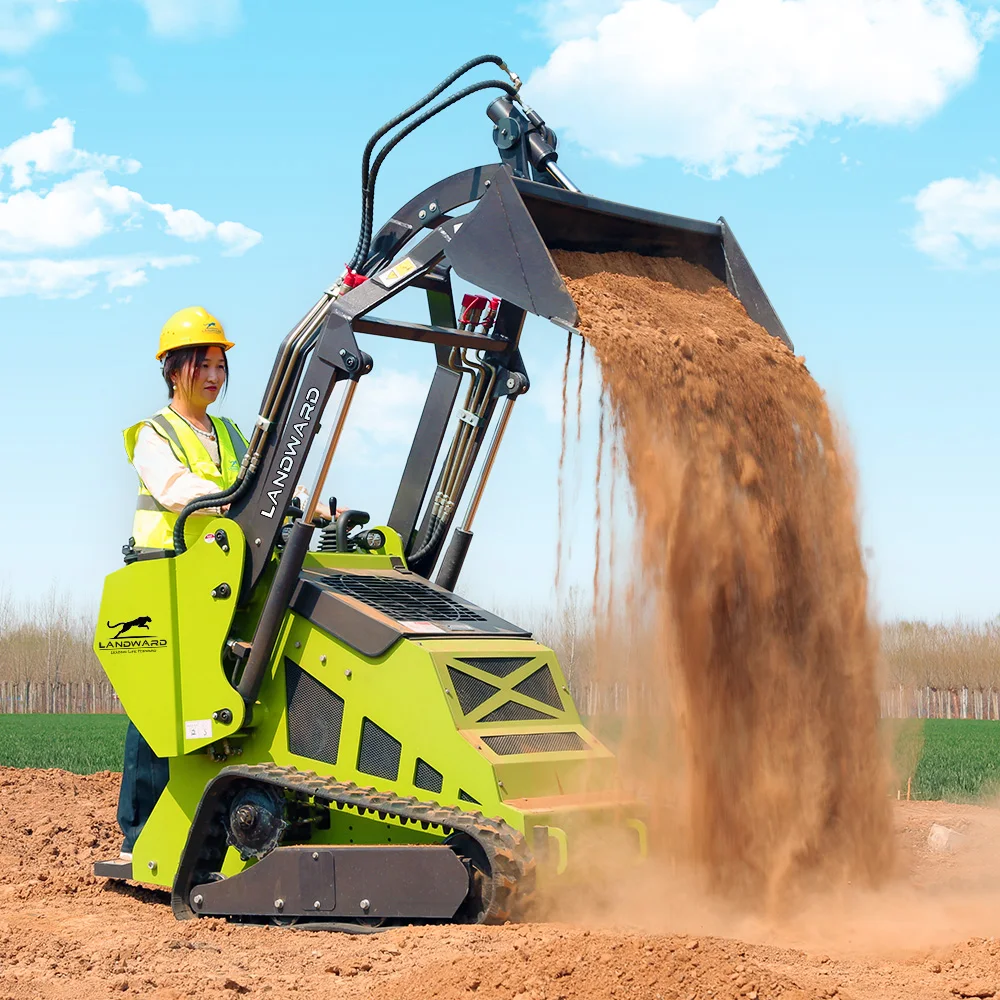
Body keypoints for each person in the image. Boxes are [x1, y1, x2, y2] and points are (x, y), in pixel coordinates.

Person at [116, 306, 332, 859]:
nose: (214, 376)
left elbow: (270, 486)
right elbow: (177, 489)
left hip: (224, 578)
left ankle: (216, 826)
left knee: (233, 697)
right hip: (164, 576)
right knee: (160, 707)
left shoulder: (235, 434)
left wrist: (307, 507)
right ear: (172, 369)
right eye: (201, 365)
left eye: (219, 365)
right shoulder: (152, 435)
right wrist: (245, 503)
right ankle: (141, 835)